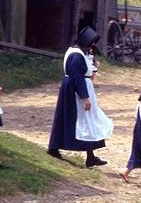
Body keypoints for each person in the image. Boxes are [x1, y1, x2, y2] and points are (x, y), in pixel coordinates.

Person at [48, 26, 114, 167]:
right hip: (74, 91)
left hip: (74, 88)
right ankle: (54, 148)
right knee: (78, 120)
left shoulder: (77, 52)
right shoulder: (76, 55)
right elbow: (77, 77)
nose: (92, 46)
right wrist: (84, 97)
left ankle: (90, 156)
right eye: (91, 43)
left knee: (85, 120)